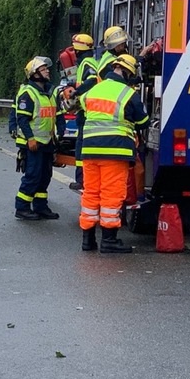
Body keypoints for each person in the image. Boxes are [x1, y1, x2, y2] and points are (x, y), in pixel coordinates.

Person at [77, 53, 149, 253]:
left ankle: (88, 239)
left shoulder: (93, 90)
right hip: (115, 151)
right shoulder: (127, 94)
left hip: (90, 150)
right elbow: (144, 122)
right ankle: (108, 240)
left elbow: (81, 105)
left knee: (91, 193)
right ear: (127, 73)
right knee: (111, 194)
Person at [13, 55, 63, 221]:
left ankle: (41, 207)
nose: (47, 71)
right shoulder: (28, 93)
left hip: (47, 142)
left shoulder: (48, 92)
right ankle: (22, 207)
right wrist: (30, 139)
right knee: (32, 175)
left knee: (45, 175)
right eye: (43, 69)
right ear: (34, 74)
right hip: (34, 143)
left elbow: (55, 115)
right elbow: (22, 119)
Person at [64, 33, 98, 192]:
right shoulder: (89, 62)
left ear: (77, 50)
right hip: (87, 111)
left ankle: (82, 180)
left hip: (86, 112)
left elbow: (91, 80)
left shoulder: (87, 63)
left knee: (82, 147)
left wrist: (76, 92)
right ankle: (82, 179)